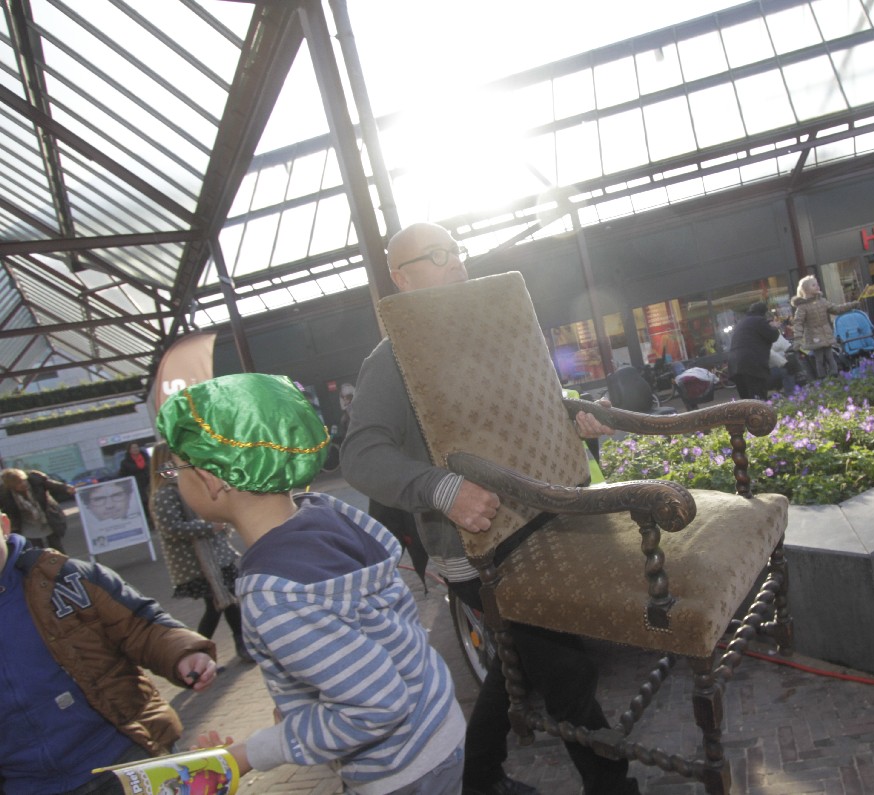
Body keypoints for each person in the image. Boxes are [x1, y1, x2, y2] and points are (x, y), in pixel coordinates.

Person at [341, 222, 640, 795]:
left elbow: (531, 410)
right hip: (477, 550)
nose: (456, 262)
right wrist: (441, 489)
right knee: (566, 669)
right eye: (436, 256)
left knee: (516, 662)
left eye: (456, 250)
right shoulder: (395, 355)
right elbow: (360, 455)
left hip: (539, 523)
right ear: (401, 279)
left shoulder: (489, 331)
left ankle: (477, 777)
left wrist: (575, 417)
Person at [156, 372, 466, 795]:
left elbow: (376, 707)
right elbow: (372, 632)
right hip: (435, 725)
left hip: (400, 770)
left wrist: (251, 752)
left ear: (211, 478)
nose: (174, 479)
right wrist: (298, 714)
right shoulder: (324, 515)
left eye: (176, 469)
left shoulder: (275, 593)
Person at [0, 509, 218, 795]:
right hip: (27, 784)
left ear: (4, 525)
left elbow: (140, 624)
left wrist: (182, 652)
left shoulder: (63, 578)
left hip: (123, 753)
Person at [148, 441, 253, 665]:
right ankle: (198, 651)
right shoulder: (166, 493)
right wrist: (209, 527)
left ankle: (234, 645)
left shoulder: (187, 486)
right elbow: (171, 528)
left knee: (227, 601)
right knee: (219, 605)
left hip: (215, 557)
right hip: (199, 563)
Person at [789, 276, 859, 380]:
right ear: (806, 289)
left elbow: (836, 309)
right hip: (814, 336)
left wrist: (852, 305)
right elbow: (798, 323)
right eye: (814, 285)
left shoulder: (822, 301)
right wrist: (798, 339)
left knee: (830, 357)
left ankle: (834, 376)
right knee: (819, 359)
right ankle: (823, 378)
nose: (817, 286)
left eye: (817, 284)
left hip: (826, 334)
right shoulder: (802, 306)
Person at [0, 467, 73, 551]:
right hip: (27, 523)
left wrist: (67, 488)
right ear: (11, 486)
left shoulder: (35, 479)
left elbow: (53, 485)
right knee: (37, 549)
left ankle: (60, 559)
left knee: (56, 545)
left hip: (46, 516)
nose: (23, 484)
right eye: (18, 483)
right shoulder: (4, 494)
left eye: (23, 480)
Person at [727, 301, 780, 400]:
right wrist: (775, 327)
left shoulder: (742, 322)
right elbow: (772, 336)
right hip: (752, 365)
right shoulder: (759, 320)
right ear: (764, 312)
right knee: (758, 397)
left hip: (735, 365)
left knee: (746, 400)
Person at [118, 442, 152, 518]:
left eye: (136, 447)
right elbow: (122, 476)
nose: (135, 449)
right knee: (144, 504)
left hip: (149, 484)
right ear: (129, 450)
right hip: (137, 487)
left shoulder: (147, 458)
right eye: (133, 448)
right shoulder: (125, 463)